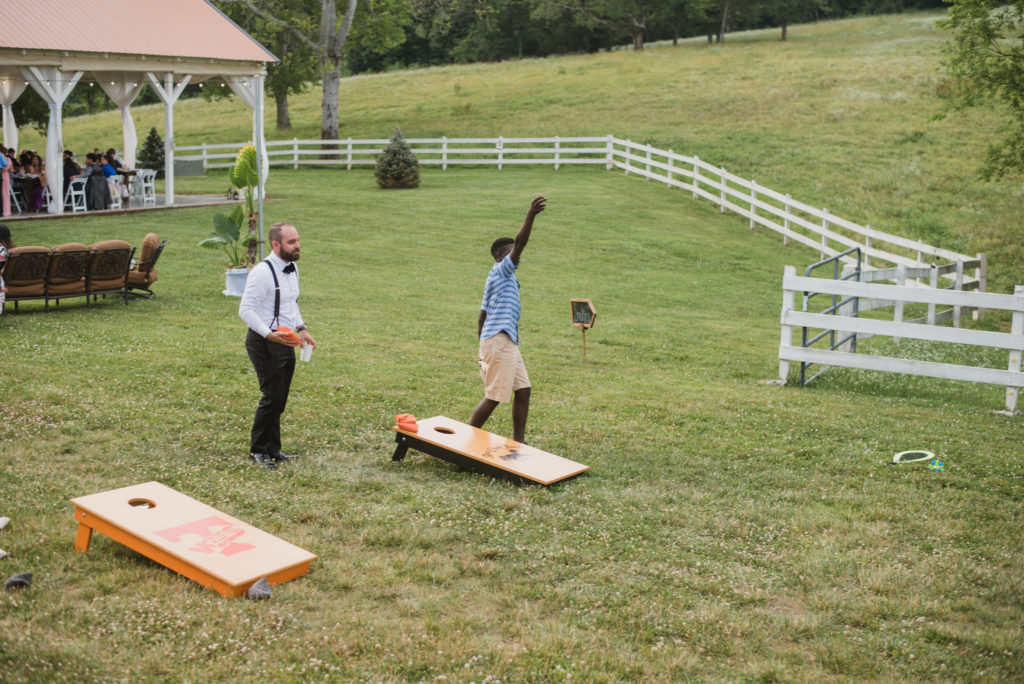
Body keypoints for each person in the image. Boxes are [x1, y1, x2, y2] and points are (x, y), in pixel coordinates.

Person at [469, 194, 547, 444]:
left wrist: (482, 346)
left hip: (503, 341)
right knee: (494, 396)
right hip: (500, 340)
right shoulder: (502, 270)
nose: (518, 254)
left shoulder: (501, 279)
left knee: (523, 390)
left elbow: (482, 317)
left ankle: (519, 443)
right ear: (502, 256)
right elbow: (522, 242)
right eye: (512, 251)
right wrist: (531, 214)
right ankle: (465, 442)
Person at [238, 222, 317, 468]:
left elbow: (290, 304)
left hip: (287, 340)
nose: (297, 245)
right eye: (291, 242)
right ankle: (258, 451)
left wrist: (301, 329)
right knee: (271, 396)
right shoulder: (262, 272)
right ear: (276, 244)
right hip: (263, 342)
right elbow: (245, 310)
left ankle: (274, 450)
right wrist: (269, 335)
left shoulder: (292, 269)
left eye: (298, 240)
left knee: (280, 398)